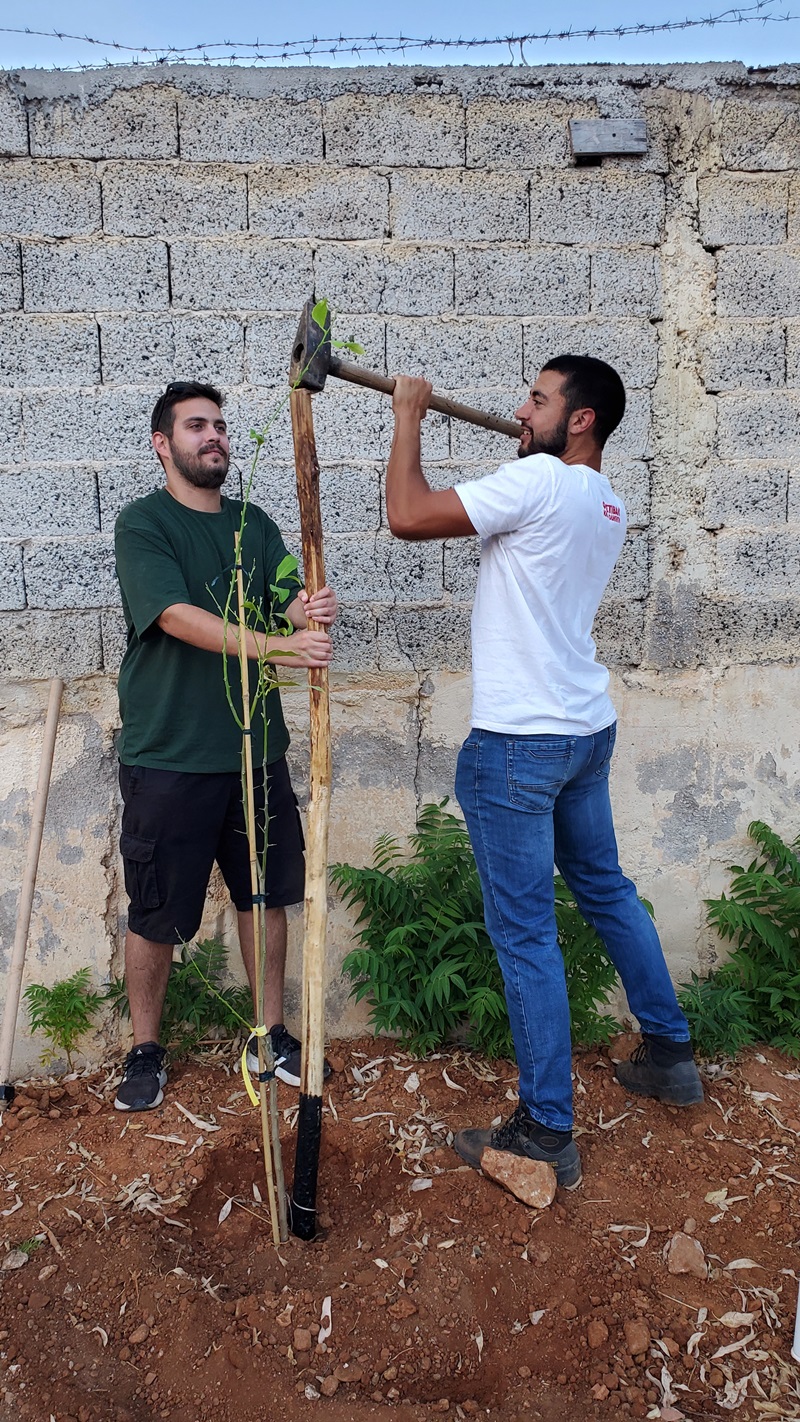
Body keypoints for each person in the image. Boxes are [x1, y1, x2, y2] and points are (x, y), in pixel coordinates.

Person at [384, 355, 703, 1188]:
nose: (520, 410)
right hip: (582, 732)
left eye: (538, 399)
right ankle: (669, 1052)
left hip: (520, 746)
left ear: (583, 419)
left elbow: (408, 516)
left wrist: (409, 413)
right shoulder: (606, 501)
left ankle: (545, 1131)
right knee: (605, 890)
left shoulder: (537, 485)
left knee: (525, 932)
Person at [113, 380, 337, 1111]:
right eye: (196, 425)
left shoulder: (256, 523)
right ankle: (145, 1048)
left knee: (261, 895)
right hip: (170, 756)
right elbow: (176, 616)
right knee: (155, 913)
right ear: (162, 444)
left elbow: (286, 598)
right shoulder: (143, 525)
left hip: (256, 754)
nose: (214, 436)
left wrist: (311, 608)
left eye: (220, 426)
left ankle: (269, 1034)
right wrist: (280, 643)